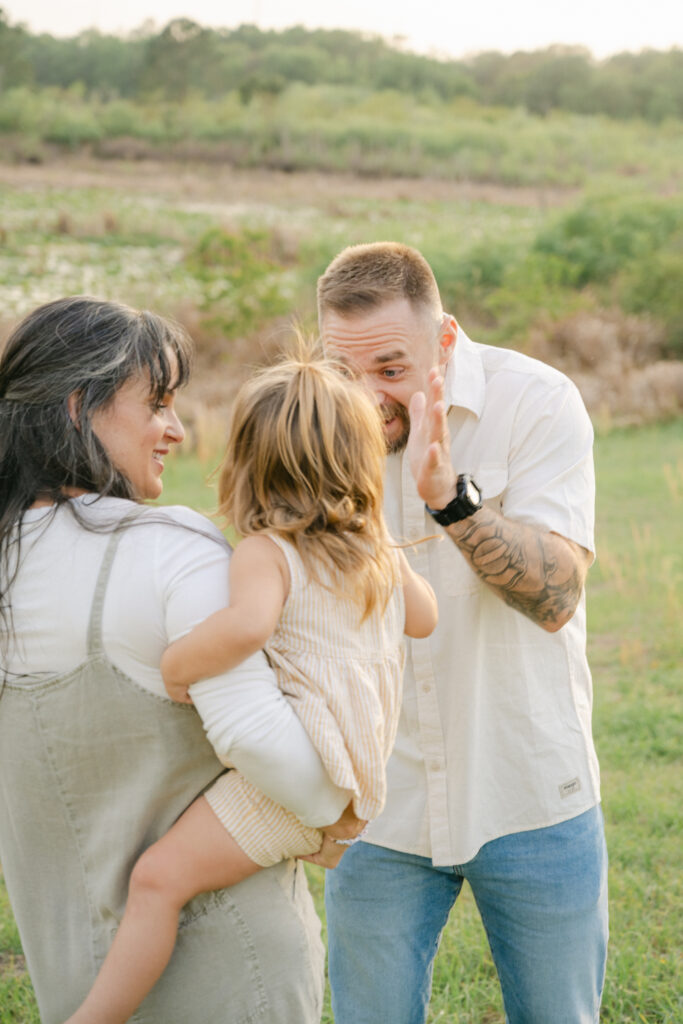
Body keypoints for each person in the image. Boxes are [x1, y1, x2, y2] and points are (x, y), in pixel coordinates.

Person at [0, 297, 359, 1024]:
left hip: (71, 973)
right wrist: (334, 802)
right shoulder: (169, 548)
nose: (176, 429)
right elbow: (278, 757)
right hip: (230, 981)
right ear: (78, 407)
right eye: (157, 404)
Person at [64, 351, 438, 1024]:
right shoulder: (374, 552)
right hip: (356, 769)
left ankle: (90, 1018)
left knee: (156, 879)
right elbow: (425, 617)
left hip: (299, 778)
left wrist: (177, 664)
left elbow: (245, 627)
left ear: (248, 462)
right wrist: (377, 542)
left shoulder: (266, 552)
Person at [317, 242, 609, 1024]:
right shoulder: (318, 420)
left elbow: (555, 596)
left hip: (528, 788)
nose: (366, 397)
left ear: (444, 341)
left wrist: (453, 503)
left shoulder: (538, 401)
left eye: (389, 369)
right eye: (344, 372)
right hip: (378, 803)